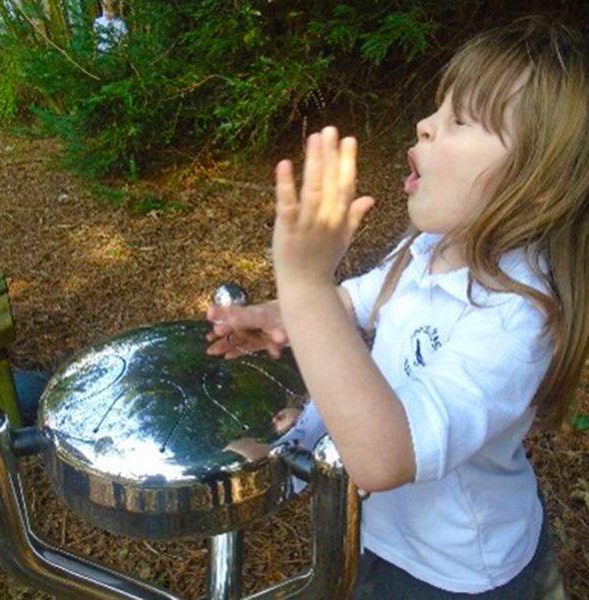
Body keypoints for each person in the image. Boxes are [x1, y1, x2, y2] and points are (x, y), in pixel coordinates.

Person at [206, 16, 584, 599]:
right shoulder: (431, 245)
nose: (425, 127)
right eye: (437, 110)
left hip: (463, 575)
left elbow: (386, 455)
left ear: (534, 184)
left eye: (459, 120)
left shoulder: (519, 318)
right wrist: (286, 312)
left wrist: (306, 287)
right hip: (381, 533)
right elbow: (362, 299)